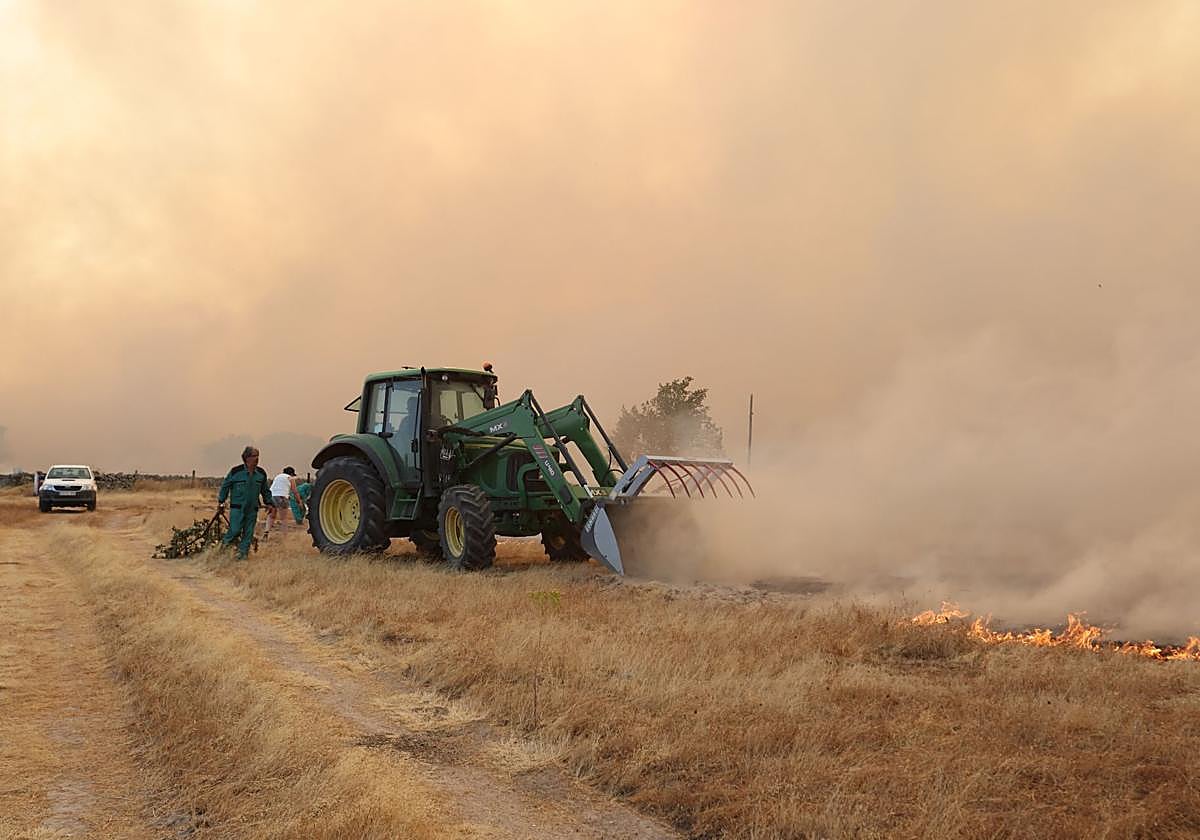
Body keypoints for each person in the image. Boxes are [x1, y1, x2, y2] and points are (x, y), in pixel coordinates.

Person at [218, 446, 273, 559]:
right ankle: (221, 553)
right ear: (246, 458)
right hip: (237, 508)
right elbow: (225, 486)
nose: (257, 458)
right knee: (234, 530)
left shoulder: (261, 473)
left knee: (248, 534)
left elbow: (265, 490)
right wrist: (221, 501)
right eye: (254, 456)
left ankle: (242, 557)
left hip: (252, 509)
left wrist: (269, 503)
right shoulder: (235, 472)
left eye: (258, 456)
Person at [265, 466, 302, 537]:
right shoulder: (290, 478)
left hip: (272, 496)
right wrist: (299, 502)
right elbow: (295, 491)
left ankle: (266, 532)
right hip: (282, 498)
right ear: (291, 474)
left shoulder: (278, 477)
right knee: (283, 518)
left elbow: (278, 488)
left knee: (271, 516)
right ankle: (285, 536)